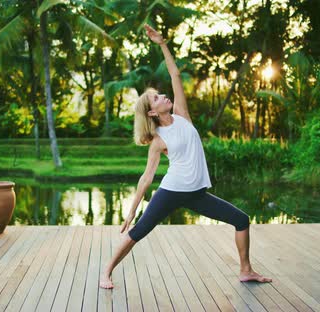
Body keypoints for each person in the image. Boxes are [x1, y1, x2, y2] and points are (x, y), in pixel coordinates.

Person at [99, 24, 272, 289]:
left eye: (160, 94)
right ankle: (106, 273)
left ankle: (246, 270)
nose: (164, 95)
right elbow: (147, 177)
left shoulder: (182, 115)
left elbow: (175, 74)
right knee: (137, 233)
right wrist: (132, 210)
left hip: (196, 193)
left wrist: (162, 43)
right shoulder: (158, 141)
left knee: (241, 219)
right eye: (157, 98)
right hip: (170, 191)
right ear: (152, 113)